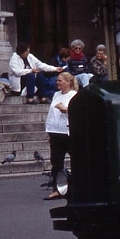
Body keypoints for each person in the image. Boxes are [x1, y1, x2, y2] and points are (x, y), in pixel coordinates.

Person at [44, 72, 78, 200]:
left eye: (60, 81)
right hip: (55, 132)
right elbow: (51, 114)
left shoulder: (74, 95)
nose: (57, 83)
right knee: (56, 162)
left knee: (76, 159)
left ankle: (78, 185)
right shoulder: (56, 95)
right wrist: (49, 132)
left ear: (68, 82)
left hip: (68, 132)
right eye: (57, 81)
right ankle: (57, 188)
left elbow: (77, 111)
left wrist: (66, 109)